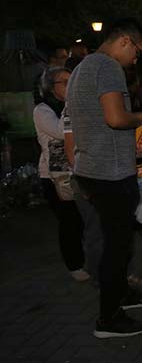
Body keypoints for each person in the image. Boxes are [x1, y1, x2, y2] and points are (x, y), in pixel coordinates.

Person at [66, 18, 142, 338]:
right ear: (124, 42)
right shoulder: (107, 68)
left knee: (117, 241)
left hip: (91, 168)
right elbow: (115, 118)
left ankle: (123, 296)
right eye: (138, 52)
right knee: (115, 247)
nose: (137, 59)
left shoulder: (81, 67)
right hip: (109, 173)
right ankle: (109, 319)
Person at [33, 66, 88, 282]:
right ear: (50, 88)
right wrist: (71, 106)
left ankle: (85, 258)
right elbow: (60, 132)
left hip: (77, 168)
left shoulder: (70, 106)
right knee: (69, 220)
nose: (70, 85)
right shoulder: (43, 110)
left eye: (71, 79)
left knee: (81, 218)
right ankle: (74, 264)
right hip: (55, 176)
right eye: (64, 82)